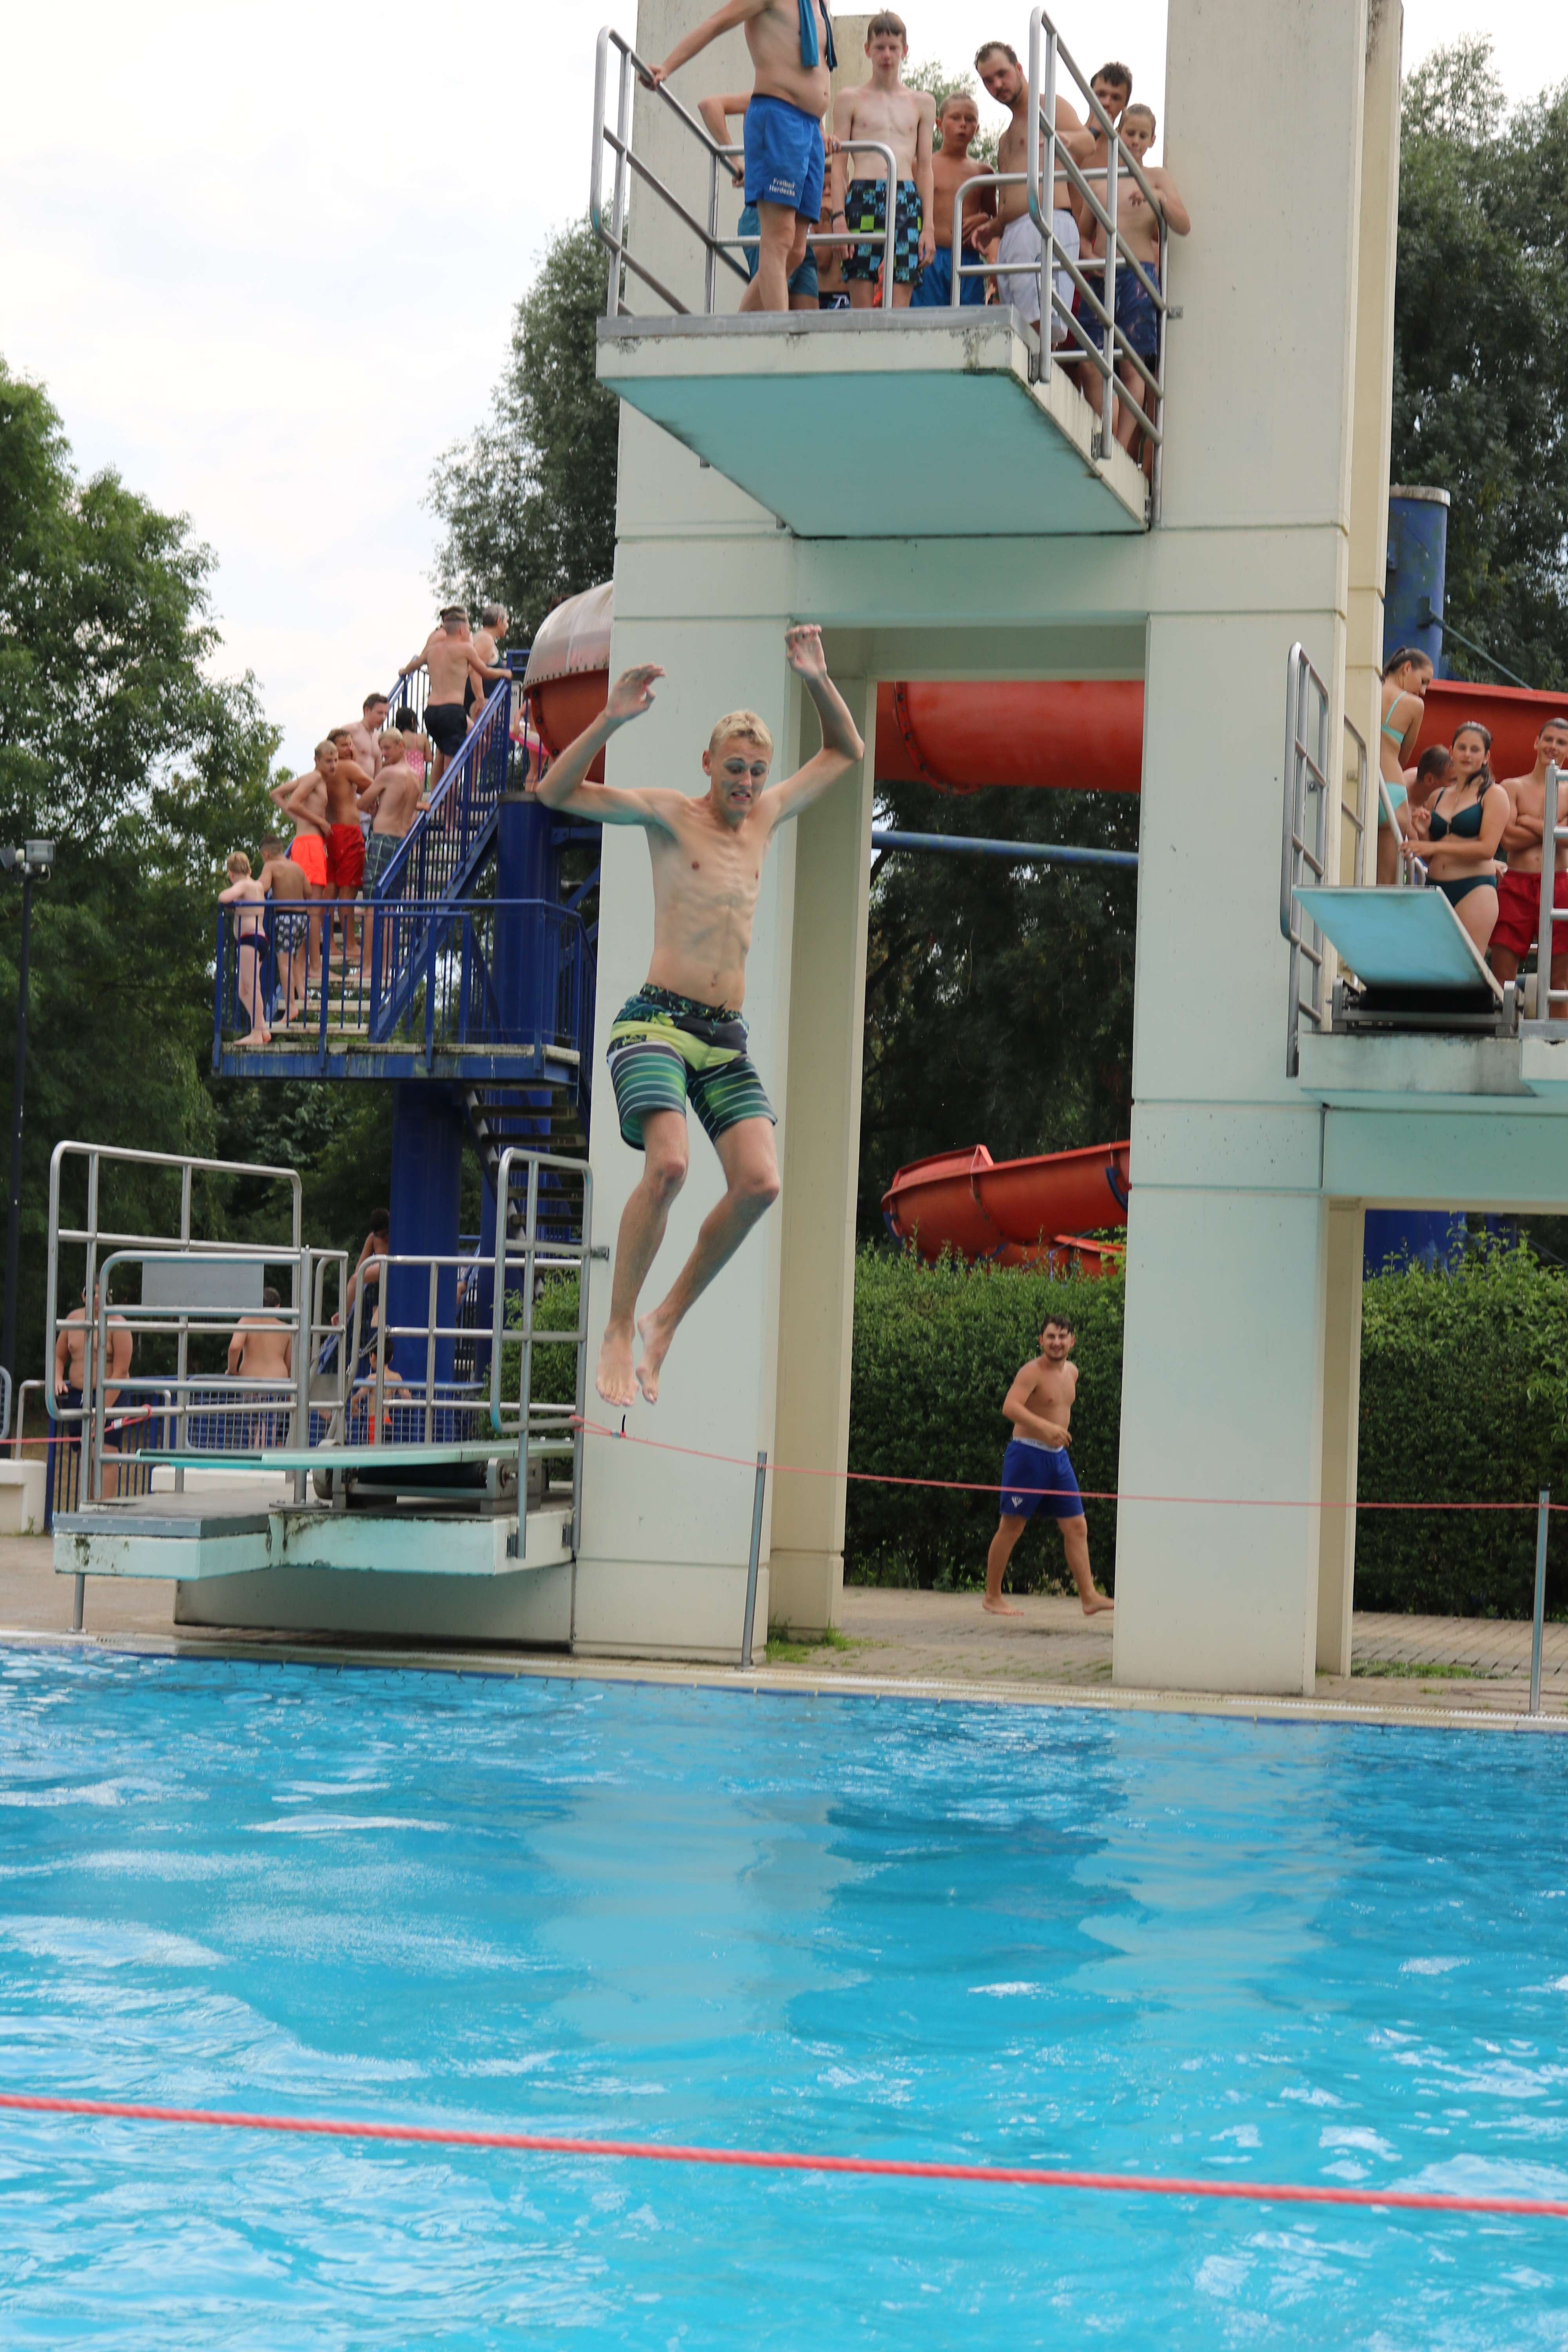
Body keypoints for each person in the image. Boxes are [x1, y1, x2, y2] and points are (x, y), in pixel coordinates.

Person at [535, 624, 864, 1406]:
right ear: (708, 764)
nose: (746, 782)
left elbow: (845, 752)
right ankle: (619, 1327)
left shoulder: (767, 817)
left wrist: (817, 679)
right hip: (655, 1022)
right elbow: (555, 792)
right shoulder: (668, 814)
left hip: (723, 1038)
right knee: (671, 1166)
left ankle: (665, 1321)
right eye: (734, 768)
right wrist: (610, 719)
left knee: (760, 1183)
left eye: (756, 771)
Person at [648, 0, 837, 316]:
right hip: (778, 117)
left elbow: (817, 71)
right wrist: (667, 67)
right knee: (779, 239)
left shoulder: (818, 5)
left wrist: (821, 128)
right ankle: (779, 332)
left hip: (811, 129)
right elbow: (715, 23)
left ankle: (739, 325)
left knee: (797, 251)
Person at [985, 1313, 1112, 1619]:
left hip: (1058, 1459)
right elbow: (1010, 1407)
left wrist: (1054, 1434)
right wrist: (1045, 1428)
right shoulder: (1032, 1372)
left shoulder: (1073, 1372)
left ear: (1072, 1341)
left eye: (1062, 1337)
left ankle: (1089, 1597)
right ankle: (992, 1597)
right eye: (1051, 1337)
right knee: (1012, 1527)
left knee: (1077, 1526)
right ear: (1041, 1340)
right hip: (1027, 1456)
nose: (1057, 1342)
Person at [970, 39, 1083, 344]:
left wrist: (1066, 140)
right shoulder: (1006, 137)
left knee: (1041, 325)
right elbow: (1013, 197)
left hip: (1045, 224)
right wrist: (993, 227)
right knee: (1017, 329)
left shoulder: (1048, 106)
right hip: (1012, 234)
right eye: (988, 81)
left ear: (1019, 68)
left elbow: (1088, 142)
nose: (997, 85)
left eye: (1002, 74)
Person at [830, 15, 935, 310]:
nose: (887, 55)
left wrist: (929, 226)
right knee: (861, 289)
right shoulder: (850, 99)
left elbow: (925, 167)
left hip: (905, 196)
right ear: (868, 50)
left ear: (905, 50)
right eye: (880, 48)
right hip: (863, 194)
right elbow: (838, 165)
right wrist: (838, 218)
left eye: (893, 48)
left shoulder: (922, 103)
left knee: (903, 285)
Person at [1102, 105, 1187, 468]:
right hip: (1102, 275)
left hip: (1139, 277)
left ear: (1152, 141)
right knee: (1094, 363)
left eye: (1142, 136)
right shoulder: (1102, 176)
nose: (1135, 141)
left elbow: (1183, 225)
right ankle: (1105, 436)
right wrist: (1092, 259)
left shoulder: (1156, 177)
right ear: (1119, 132)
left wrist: (1158, 198)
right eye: (1130, 133)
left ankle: (1121, 451)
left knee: (1134, 368)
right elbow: (1088, 233)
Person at [697, 90, 822, 309]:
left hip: (799, 217)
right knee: (769, 299)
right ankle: (741, 329)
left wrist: (826, 138)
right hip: (767, 213)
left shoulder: (808, 99)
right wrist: (736, 160)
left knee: (806, 312)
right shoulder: (768, 96)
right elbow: (710, 105)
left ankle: (749, 327)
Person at [1406, 720, 1510, 958]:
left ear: (1486, 757)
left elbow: (1487, 849)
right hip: (1436, 886)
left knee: (1466, 966)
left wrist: (1431, 846)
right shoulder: (1437, 796)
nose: (1467, 755)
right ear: (1451, 751)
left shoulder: (1494, 794)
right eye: (1462, 748)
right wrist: (1423, 830)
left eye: (1475, 750)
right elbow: (1431, 856)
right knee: (1430, 962)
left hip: (1474, 888)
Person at [1490, 715, 1568, 994]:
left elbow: (1567, 842)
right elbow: (1509, 840)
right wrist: (1553, 827)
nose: (1553, 746)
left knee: (1560, 981)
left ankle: (1557, 1026)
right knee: (1502, 979)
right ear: (1537, 742)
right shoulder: (1512, 787)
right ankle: (1503, 1021)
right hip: (1516, 884)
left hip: (1559, 884)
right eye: (1548, 739)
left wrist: (1527, 821)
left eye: (1561, 742)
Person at [400, 608, 507, 788]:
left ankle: (439, 797)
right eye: (468, 628)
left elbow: (416, 663)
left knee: (458, 749)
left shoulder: (435, 647)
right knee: (451, 765)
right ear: (461, 629)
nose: (470, 632)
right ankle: (446, 802)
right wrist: (505, 673)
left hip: (433, 711)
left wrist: (404, 671)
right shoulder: (462, 647)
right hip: (451, 710)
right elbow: (482, 671)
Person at [910, 90, 993, 309]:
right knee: (926, 321)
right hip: (928, 257)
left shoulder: (984, 172)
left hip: (968, 259)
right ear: (939, 124)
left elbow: (996, 220)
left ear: (978, 128)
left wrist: (985, 218)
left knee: (968, 322)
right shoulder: (920, 166)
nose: (963, 124)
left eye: (970, 119)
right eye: (955, 118)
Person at [285, 739, 365, 964]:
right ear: (318, 760)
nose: (334, 765)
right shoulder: (318, 777)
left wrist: (301, 822)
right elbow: (292, 804)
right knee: (318, 904)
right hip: (319, 841)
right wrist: (319, 822)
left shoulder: (317, 779)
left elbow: (277, 795)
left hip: (317, 841)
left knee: (316, 901)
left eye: (336, 760)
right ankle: (319, 963)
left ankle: (312, 960)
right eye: (330, 760)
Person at [1376, 646, 1434, 884]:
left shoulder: (1366, 689)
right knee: (1386, 885)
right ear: (1407, 668)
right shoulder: (1414, 705)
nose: (1423, 691)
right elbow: (1403, 758)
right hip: (1392, 789)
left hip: (1357, 782)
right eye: (1424, 681)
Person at [54, 1284, 134, 1438]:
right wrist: (57, 1378)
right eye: (91, 1293)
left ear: (108, 1295)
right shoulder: (73, 1319)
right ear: (83, 1296)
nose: (96, 1297)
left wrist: (103, 1408)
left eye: (100, 1293)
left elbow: (121, 1371)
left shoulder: (118, 1323)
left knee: (106, 1448)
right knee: (81, 1446)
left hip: (111, 1394)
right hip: (79, 1394)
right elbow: (59, 1356)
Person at [252, 835, 312, 1023]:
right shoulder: (297, 867)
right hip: (303, 919)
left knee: (284, 963)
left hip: (286, 918)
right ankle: (303, 993)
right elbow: (309, 892)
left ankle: (291, 1007)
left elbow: (263, 886)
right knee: (295, 960)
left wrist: (248, 886)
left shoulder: (271, 866)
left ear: (266, 854)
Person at [359, 730, 430, 886]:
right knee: (392, 894)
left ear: (401, 746)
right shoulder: (414, 778)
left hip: (383, 838)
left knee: (373, 892)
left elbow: (362, 804)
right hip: (402, 842)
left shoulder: (388, 773)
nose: (384, 754)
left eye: (387, 748)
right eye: (382, 749)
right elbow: (402, 804)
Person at [228, 1286, 294, 1446]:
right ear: (278, 1307)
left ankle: (257, 1452)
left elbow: (235, 1347)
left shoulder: (247, 1321)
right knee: (270, 1425)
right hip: (277, 1384)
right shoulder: (287, 1329)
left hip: (251, 1383)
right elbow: (289, 1363)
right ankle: (263, 1452)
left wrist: (232, 1371)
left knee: (254, 1426)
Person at [218, 851, 272, 1046]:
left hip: (249, 939)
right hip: (260, 938)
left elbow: (223, 897)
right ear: (249, 870)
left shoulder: (243, 885)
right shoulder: (258, 886)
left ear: (231, 874)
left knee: (250, 987)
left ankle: (257, 1033)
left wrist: (231, 899)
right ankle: (262, 1029)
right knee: (245, 990)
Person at [345, 693, 391, 781]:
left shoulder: (379, 737)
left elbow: (378, 772)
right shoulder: (351, 731)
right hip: (351, 786)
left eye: (386, 714)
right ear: (367, 711)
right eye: (380, 713)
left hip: (370, 787)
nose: (384, 717)